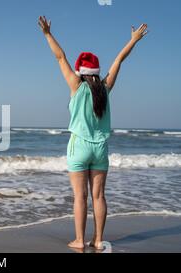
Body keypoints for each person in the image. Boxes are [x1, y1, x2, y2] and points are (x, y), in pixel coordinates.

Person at [38, 16, 148, 250]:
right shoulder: (105, 88)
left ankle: (79, 240)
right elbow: (119, 60)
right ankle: (98, 240)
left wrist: (48, 34)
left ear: (80, 71)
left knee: (81, 197)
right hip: (100, 149)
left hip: (79, 147)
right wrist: (134, 40)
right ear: (96, 72)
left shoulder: (75, 86)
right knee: (98, 196)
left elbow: (60, 57)